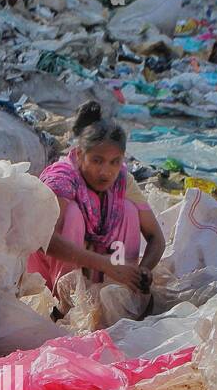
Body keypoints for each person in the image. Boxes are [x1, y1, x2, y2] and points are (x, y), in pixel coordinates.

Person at [27, 100, 166, 325]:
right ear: (80, 156)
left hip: (100, 267)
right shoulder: (62, 179)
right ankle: (65, 305)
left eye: (114, 162)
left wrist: (142, 271)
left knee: (129, 210)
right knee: (73, 215)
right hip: (49, 273)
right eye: (97, 161)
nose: (106, 171)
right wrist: (104, 264)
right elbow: (45, 239)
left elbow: (156, 238)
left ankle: (119, 291)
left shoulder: (121, 180)